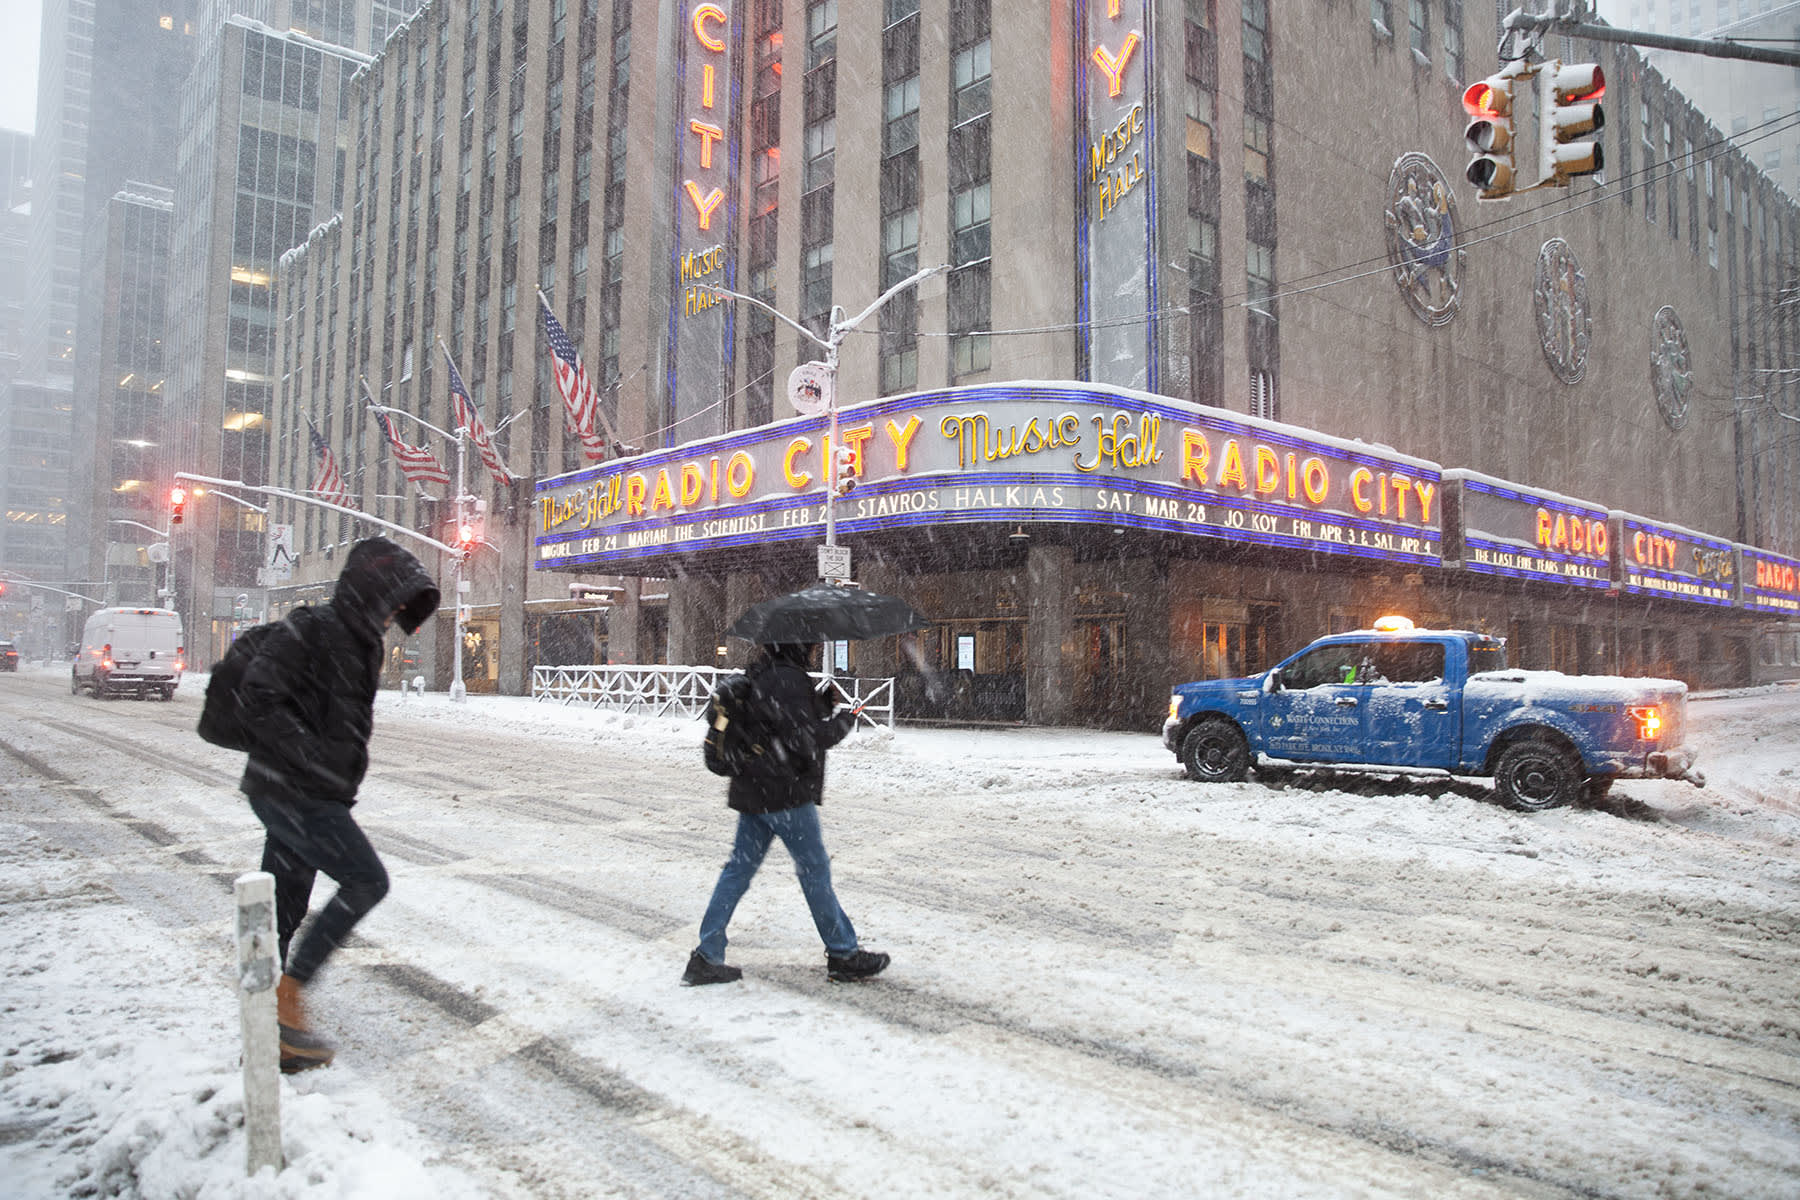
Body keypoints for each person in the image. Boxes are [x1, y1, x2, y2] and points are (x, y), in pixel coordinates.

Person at [238, 536, 440, 1071]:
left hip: (310, 792)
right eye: (394, 600)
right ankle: (287, 998)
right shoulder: (311, 628)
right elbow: (258, 694)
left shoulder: (363, 641)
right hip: (291, 790)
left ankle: (269, 1033)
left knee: (282, 909)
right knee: (367, 880)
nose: (397, 613)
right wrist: (307, 756)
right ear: (372, 591)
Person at [684, 642, 889, 986]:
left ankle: (706, 954)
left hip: (754, 791)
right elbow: (802, 740)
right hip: (785, 794)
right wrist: (843, 722)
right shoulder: (790, 680)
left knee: (737, 871)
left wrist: (819, 703)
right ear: (801, 645)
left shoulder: (761, 673)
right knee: (815, 872)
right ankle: (843, 953)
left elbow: (775, 722)